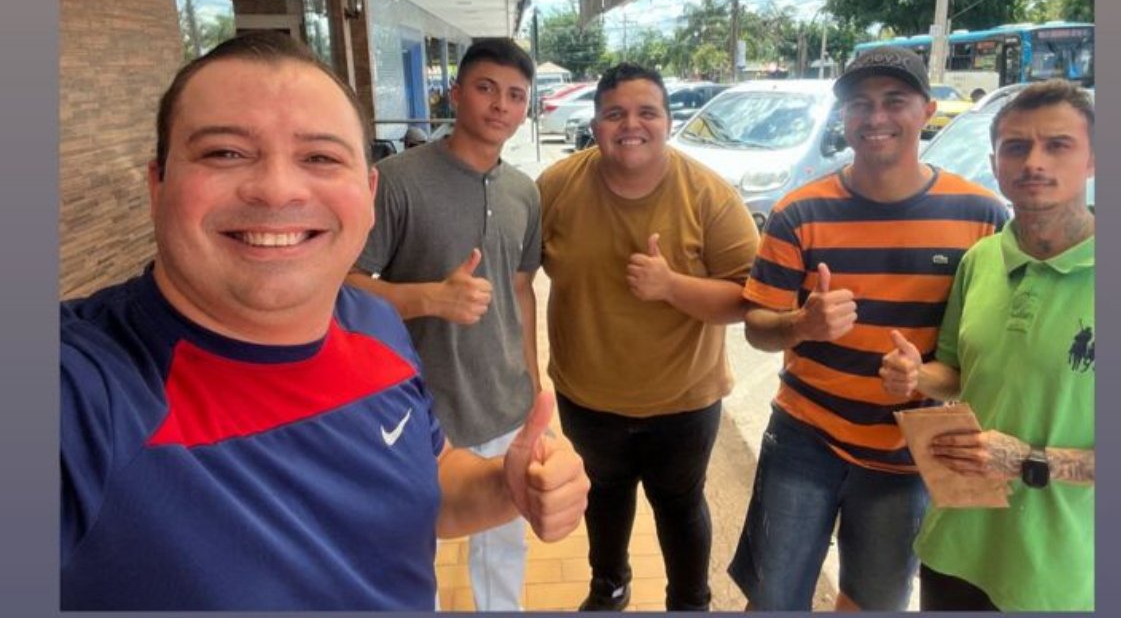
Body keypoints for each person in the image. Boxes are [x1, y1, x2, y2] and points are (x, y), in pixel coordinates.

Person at [60, 32, 589, 610]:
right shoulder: (86, 392)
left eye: (319, 158)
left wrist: (506, 485)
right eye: (225, 153)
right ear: (157, 185)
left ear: (366, 191)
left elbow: (428, 480)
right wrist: (433, 299)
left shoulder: (375, 327)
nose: (277, 190)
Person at [728, 46, 1009, 611]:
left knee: (874, 603)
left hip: (905, 453)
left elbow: (982, 353)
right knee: (773, 598)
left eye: (894, 101)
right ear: (844, 116)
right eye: (860, 103)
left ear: (928, 110)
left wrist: (922, 379)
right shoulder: (799, 212)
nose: (876, 116)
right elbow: (757, 327)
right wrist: (801, 323)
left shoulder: (982, 216)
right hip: (804, 437)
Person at [536, 62, 760, 611]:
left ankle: (690, 602)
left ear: (668, 120)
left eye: (646, 113)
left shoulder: (708, 195)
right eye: (615, 113)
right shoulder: (557, 187)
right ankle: (608, 586)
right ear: (595, 124)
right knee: (604, 497)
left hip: (683, 400)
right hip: (587, 396)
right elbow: (516, 275)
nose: (630, 125)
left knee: (680, 505)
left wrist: (671, 287)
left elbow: (749, 299)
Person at [880, 80, 1095, 611]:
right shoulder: (980, 259)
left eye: (1058, 145)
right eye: (1016, 147)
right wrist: (917, 375)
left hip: (1061, 576)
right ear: (995, 163)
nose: (1034, 162)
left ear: (1094, 160)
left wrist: (1031, 460)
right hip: (954, 548)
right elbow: (955, 372)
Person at [346, 37, 541, 610]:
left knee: (503, 540)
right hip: (417, 406)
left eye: (515, 95)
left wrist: (533, 380)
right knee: (413, 546)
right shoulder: (396, 180)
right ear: (454, 94)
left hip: (503, 399)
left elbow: (522, 290)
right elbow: (340, 286)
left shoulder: (524, 192)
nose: (500, 105)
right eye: (486, 88)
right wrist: (430, 297)